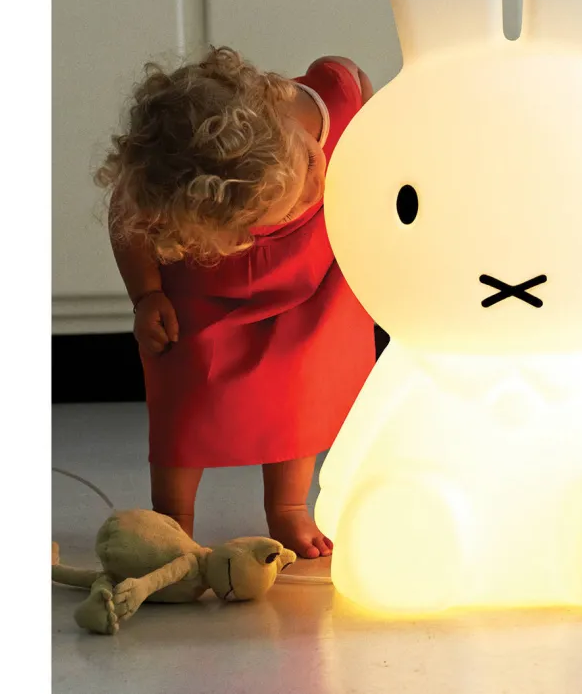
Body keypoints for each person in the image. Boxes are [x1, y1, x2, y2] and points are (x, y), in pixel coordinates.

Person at [95, 46, 376, 558]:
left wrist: (371, 138)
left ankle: (288, 507)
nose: (315, 184)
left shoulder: (326, 106)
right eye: (287, 202)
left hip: (305, 283)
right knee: (186, 392)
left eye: (307, 164)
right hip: (204, 288)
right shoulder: (165, 185)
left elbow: (349, 75)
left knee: (298, 383)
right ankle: (173, 517)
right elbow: (128, 222)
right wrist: (146, 293)